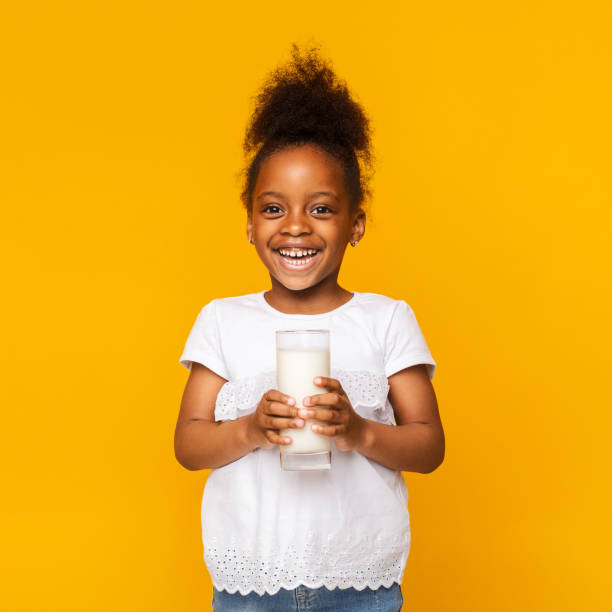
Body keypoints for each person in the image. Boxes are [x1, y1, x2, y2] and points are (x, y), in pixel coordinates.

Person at [175, 43, 445, 612]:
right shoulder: (223, 321)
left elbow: (428, 446)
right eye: (273, 208)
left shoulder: (386, 319)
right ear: (249, 223)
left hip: (360, 586)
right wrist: (249, 428)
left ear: (356, 223)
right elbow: (188, 444)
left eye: (321, 208)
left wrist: (358, 432)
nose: (295, 227)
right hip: (251, 586)